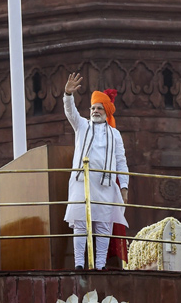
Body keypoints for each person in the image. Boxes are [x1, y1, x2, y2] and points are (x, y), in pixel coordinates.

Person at [62, 72, 129, 271]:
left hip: (106, 186)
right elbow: (70, 111)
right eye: (93, 108)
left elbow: (121, 161)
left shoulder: (115, 134)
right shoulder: (82, 126)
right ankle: (79, 264)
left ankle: (100, 266)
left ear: (106, 111)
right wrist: (67, 93)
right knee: (81, 225)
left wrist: (124, 187)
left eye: (99, 108)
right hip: (82, 184)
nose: (95, 111)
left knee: (103, 227)